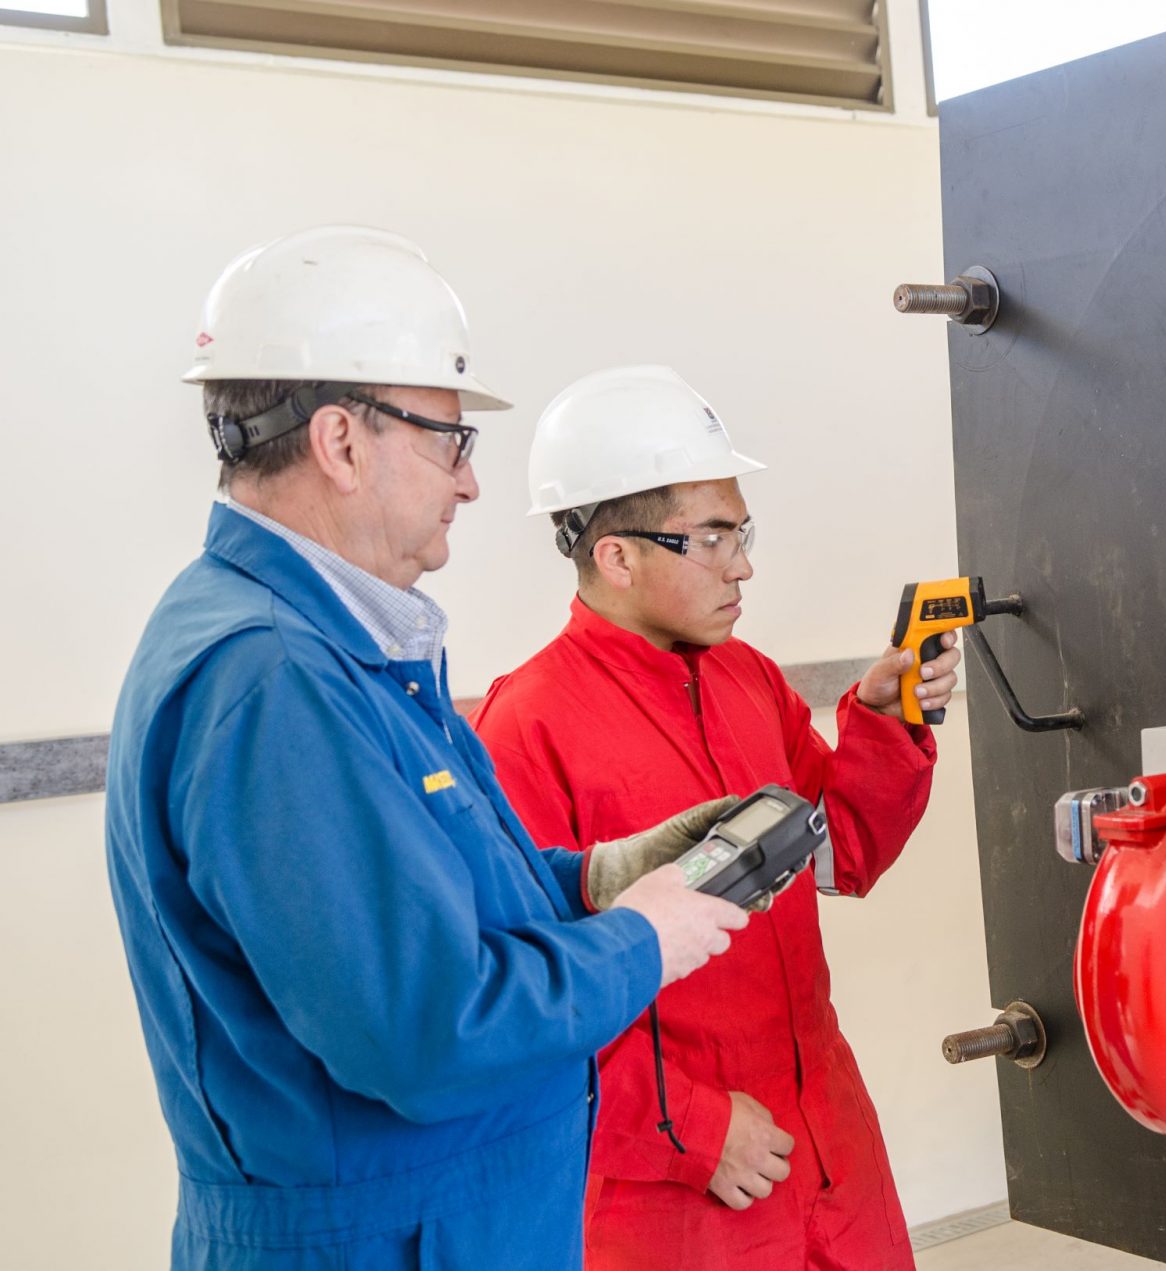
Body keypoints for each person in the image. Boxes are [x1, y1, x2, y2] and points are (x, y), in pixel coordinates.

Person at [104, 228, 749, 1269]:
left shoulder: (343, 642)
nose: (470, 484)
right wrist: (641, 939)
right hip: (381, 1240)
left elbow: (435, 896)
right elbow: (426, 1027)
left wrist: (594, 876)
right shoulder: (272, 678)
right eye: (452, 438)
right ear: (341, 442)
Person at [470, 365, 962, 1269]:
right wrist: (690, 1130)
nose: (744, 562)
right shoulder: (526, 724)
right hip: (684, 1200)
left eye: (743, 530)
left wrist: (886, 722)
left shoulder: (750, 680)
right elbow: (518, 1000)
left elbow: (840, 849)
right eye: (714, 536)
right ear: (616, 554)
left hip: (829, 1150)